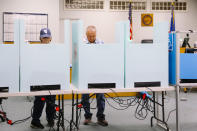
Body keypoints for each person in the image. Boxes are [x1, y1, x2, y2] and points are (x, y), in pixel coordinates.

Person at [81, 26, 108, 126]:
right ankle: (87, 116)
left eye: (93, 36)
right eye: (90, 36)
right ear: (86, 35)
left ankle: (100, 117)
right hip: (86, 73)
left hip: (98, 73)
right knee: (84, 97)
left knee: (100, 96)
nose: (92, 38)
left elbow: (105, 56)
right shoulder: (82, 44)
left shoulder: (101, 43)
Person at [30, 28, 56, 129]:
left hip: (51, 80)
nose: (45, 40)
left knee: (51, 100)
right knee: (40, 101)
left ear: (51, 38)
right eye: (44, 38)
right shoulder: (35, 50)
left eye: (47, 38)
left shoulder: (55, 50)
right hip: (40, 80)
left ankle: (50, 119)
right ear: (40, 38)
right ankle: (35, 121)